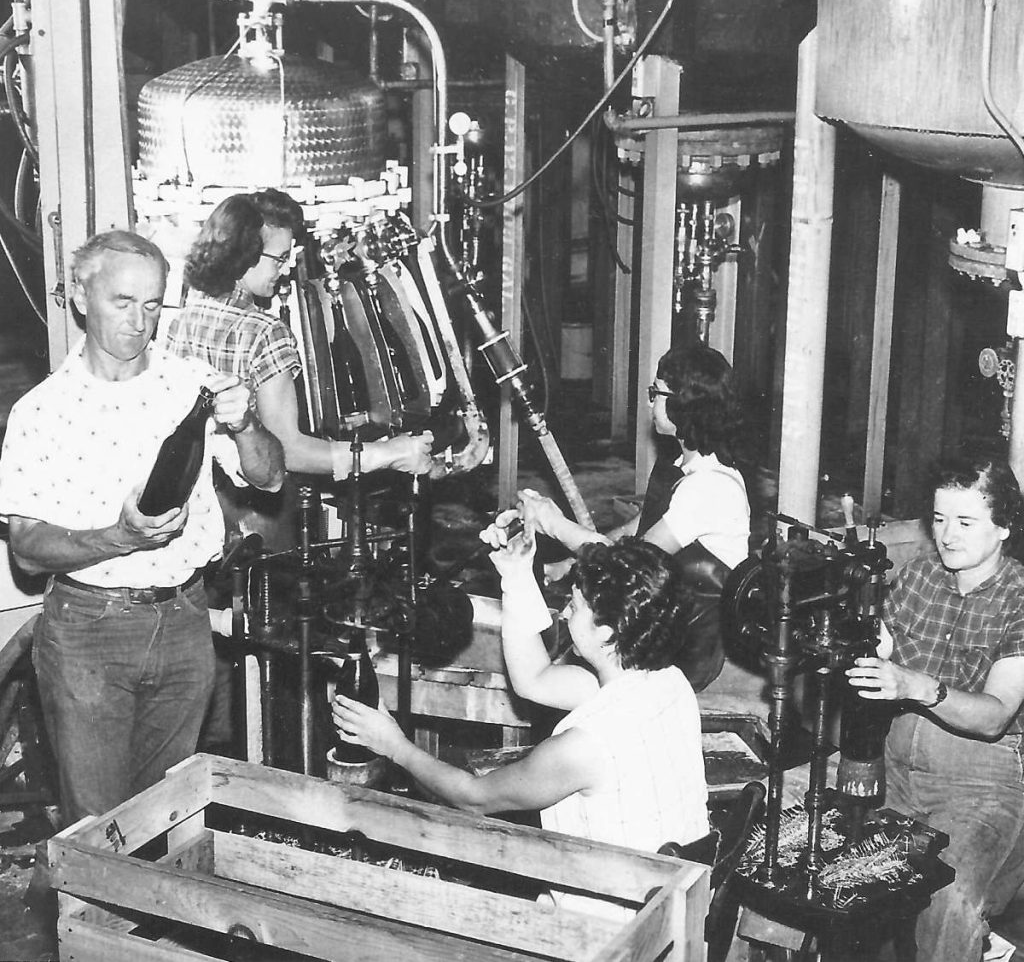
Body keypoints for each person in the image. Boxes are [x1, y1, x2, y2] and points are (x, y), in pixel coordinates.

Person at [0, 230, 285, 824]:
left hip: (184, 618)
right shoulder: (41, 414)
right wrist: (120, 537)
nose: (139, 321)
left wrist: (248, 422)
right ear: (81, 297)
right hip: (88, 633)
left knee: (168, 813)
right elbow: (26, 551)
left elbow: (270, 478)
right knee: (100, 826)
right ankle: (89, 914)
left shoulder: (192, 387)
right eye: (122, 302)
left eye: (152, 304)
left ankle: (159, 919)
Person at [332, 517, 709, 916]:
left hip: (624, 936)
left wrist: (393, 745)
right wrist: (516, 575)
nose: (564, 613)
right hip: (678, 906)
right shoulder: (669, 683)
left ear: (607, 632)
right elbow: (535, 680)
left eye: (575, 606)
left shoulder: (584, 747)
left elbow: (473, 798)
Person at [846, 453, 1024, 962]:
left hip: (982, 788)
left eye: (966, 521)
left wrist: (918, 686)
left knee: (949, 902)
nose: (948, 534)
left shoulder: (1019, 598)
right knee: (830, 871)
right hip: (897, 772)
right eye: (940, 518)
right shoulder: (921, 574)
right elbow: (883, 646)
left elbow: (994, 715)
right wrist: (855, 636)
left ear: (1004, 527)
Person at [517, 344, 751, 690]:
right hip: (666, 624)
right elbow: (641, 529)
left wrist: (554, 524)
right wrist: (568, 565)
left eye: (656, 393)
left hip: (688, 649)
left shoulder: (709, 488)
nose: (650, 402)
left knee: (557, 669)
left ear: (683, 404)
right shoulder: (685, 466)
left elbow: (628, 565)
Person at [163, 188, 434, 486]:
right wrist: (387, 453)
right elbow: (289, 451)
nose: (286, 268)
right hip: (257, 504)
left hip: (197, 490)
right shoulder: (266, 333)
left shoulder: (184, 318)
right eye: (278, 260)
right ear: (246, 253)